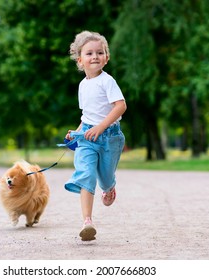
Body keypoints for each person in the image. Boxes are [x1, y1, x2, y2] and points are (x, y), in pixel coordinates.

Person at [65, 31, 126, 241]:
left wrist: (100, 127)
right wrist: (77, 132)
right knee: (86, 174)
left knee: (105, 177)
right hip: (88, 139)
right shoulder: (83, 85)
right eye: (89, 53)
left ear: (106, 58)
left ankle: (109, 187)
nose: (95, 56)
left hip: (110, 138)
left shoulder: (107, 81)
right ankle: (87, 222)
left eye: (100, 52)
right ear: (80, 60)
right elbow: (86, 115)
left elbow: (120, 106)